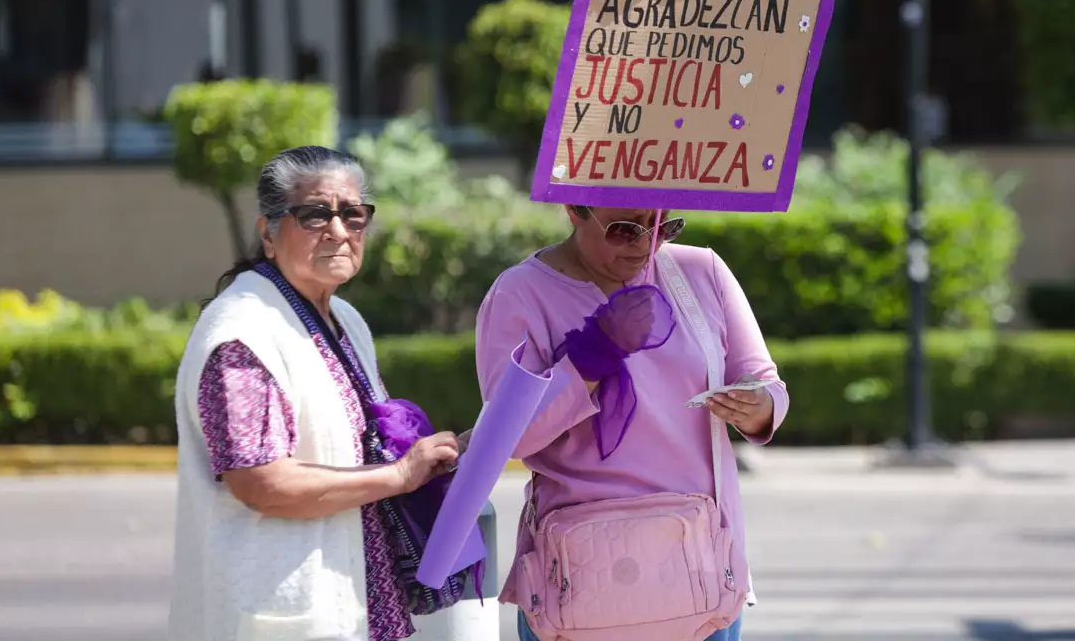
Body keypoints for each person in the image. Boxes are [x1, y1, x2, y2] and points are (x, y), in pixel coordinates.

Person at [169, 146, 468, 641]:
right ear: (268, 233)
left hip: (361, 605)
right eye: (314, 214)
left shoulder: (345, 319)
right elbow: (261, 483)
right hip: (283, 607)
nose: (338, 230)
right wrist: (398, 475)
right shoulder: (242, 334)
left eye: (353, 214)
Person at [475, 205, 790, 641]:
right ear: (574, 210)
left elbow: (767, 383)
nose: (644, 243)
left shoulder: (701, 271)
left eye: (662, 226)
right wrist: (590, 357)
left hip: (700, 573)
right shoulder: (520, 292)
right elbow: (509, 437)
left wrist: (759, 406)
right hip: (581, 579)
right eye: (623, 229)